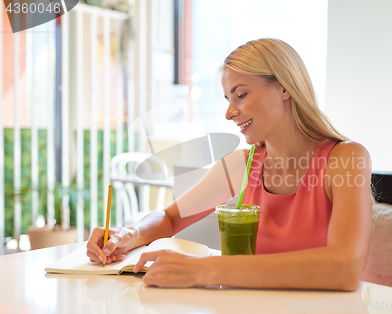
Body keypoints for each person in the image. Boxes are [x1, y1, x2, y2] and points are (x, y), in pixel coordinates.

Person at [86, 38, 373, 291]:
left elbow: (344, 268)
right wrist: (127, 235)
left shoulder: (346, 159)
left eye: (241, 94)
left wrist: (202, 269)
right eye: (227, 98)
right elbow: (171, 218)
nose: (229, 112)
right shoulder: (242, 166)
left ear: (284, 88)